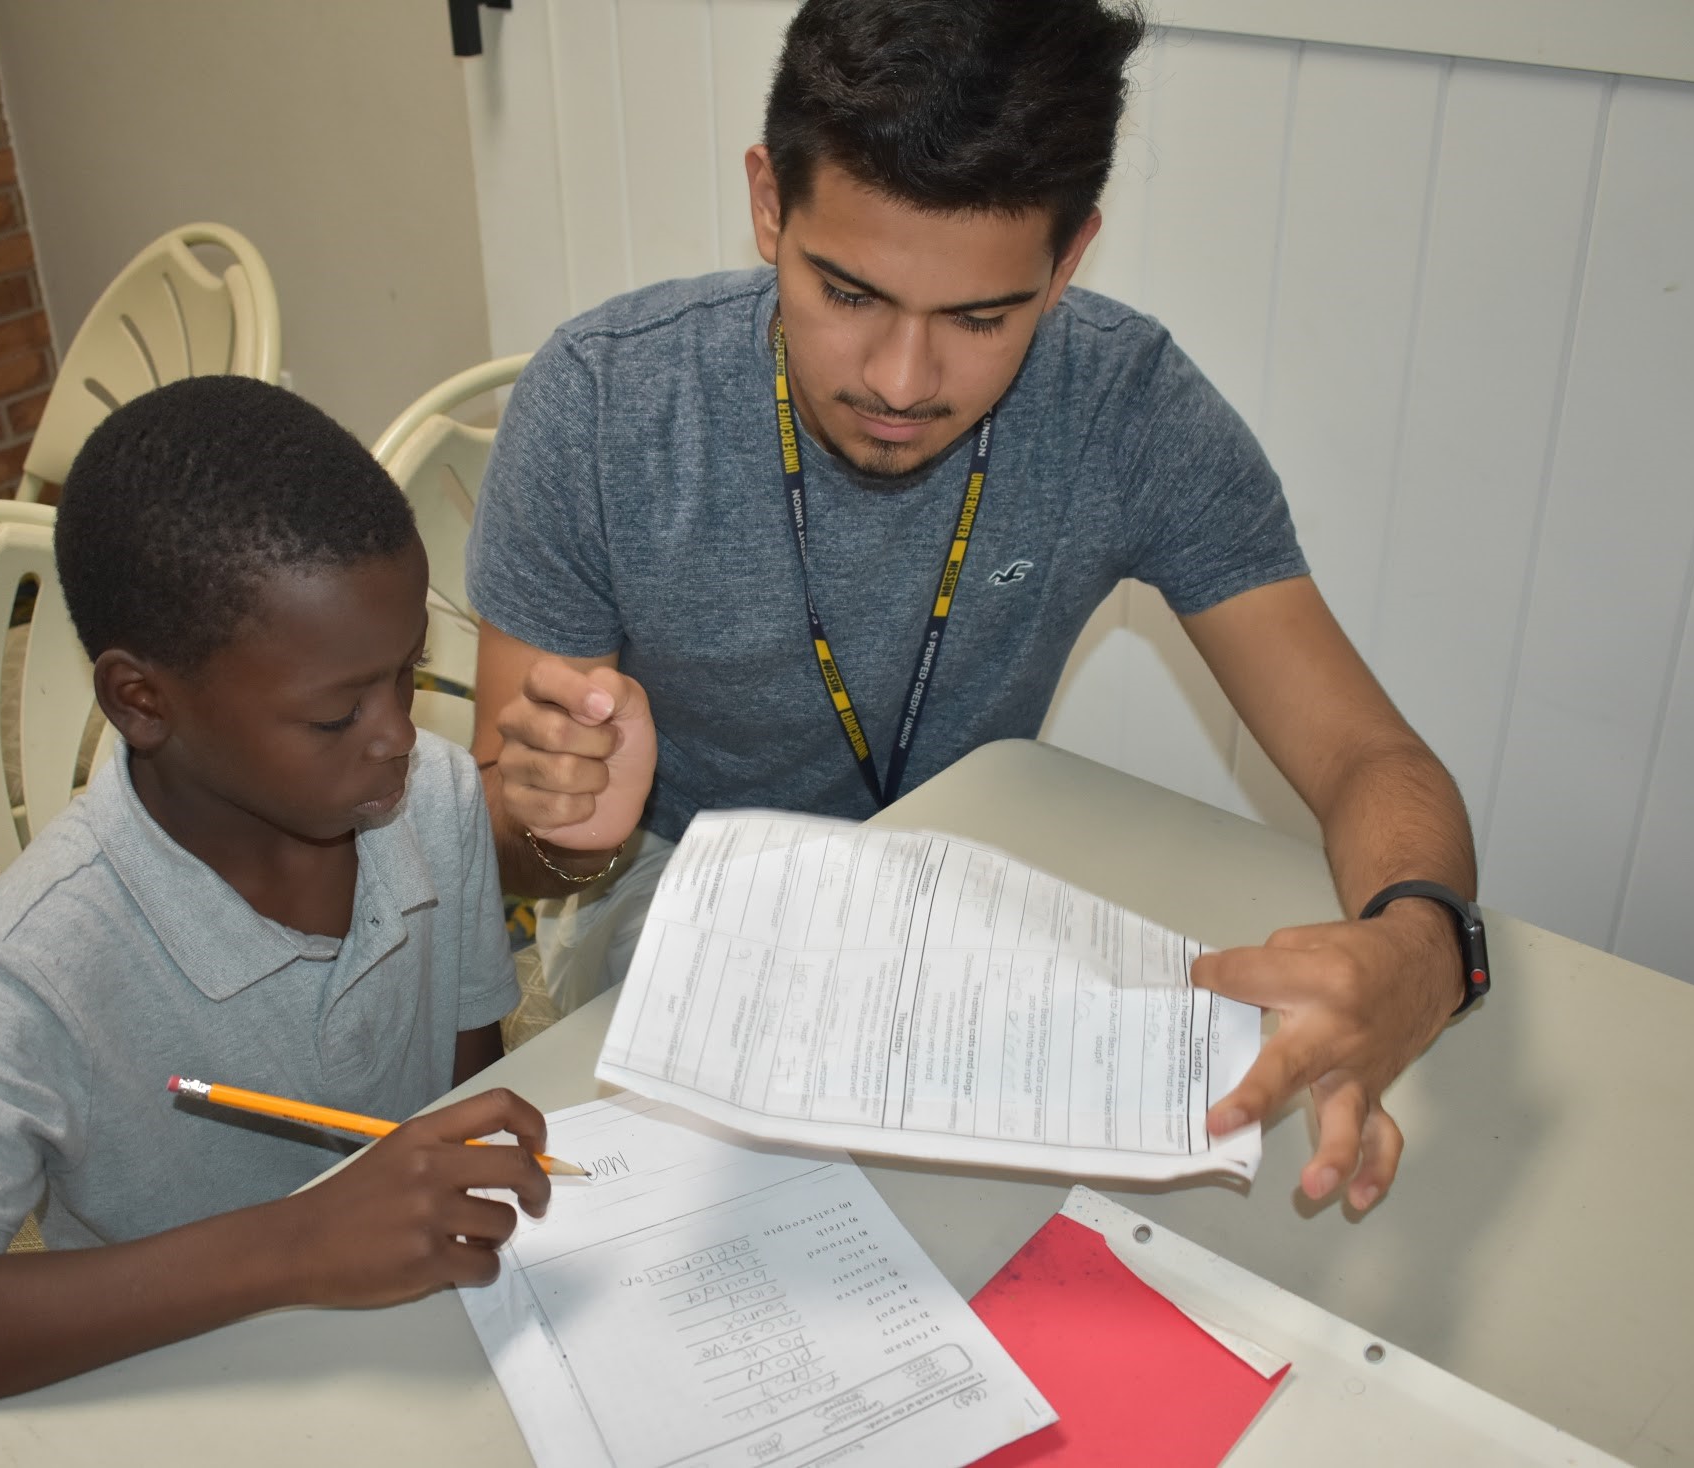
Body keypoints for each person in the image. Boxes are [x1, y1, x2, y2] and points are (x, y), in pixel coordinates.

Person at [467, 0, 1479, 1216]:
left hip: (967, 905)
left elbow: (1368, 753)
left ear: (1070, 258)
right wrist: (578, 825)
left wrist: (1425, 948)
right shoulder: (602, 405)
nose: (901, 380)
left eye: (981, 319)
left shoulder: (1128, 409)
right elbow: (500, 839)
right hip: (668, 892)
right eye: (847, 294)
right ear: (766, 206)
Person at [0, 377, 549, 1431]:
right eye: (340, 710)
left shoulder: (427, 801)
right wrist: (298, 1242)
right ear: (141, 700)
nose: (397, 731)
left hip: (409, 1365)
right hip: (180, 1398)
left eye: (407, 673)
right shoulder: (36, 964)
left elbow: (461, 1093)